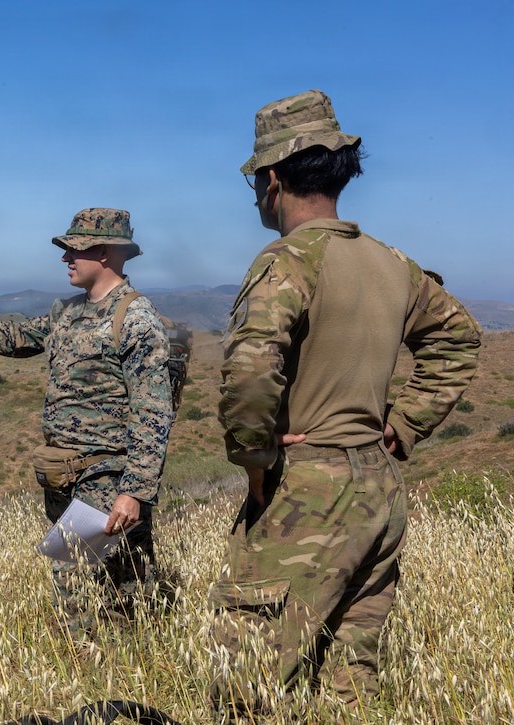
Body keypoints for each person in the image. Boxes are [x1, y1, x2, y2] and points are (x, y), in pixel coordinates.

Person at [209, 90, 481, 719]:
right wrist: (401, 426)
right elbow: (459, 338)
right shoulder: (393, 264)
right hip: (379, 492)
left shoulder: (288, 260)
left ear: (272, 180)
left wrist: (255, 460)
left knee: (245, 685)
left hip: (306, 493)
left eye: (256, 181)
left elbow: (251, 367)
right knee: (348, 687)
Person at [0, 208, 174, 636]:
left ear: (108, 253)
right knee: (96, 591)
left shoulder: (135, 320)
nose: (65, 258)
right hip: (63, 477)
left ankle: (102, 684)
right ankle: (108, 680)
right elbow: (13, 338)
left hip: (106, 478)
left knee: (94, 594)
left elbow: (153, 412)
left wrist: (133, 491)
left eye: (75, 249)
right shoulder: (67, 313)